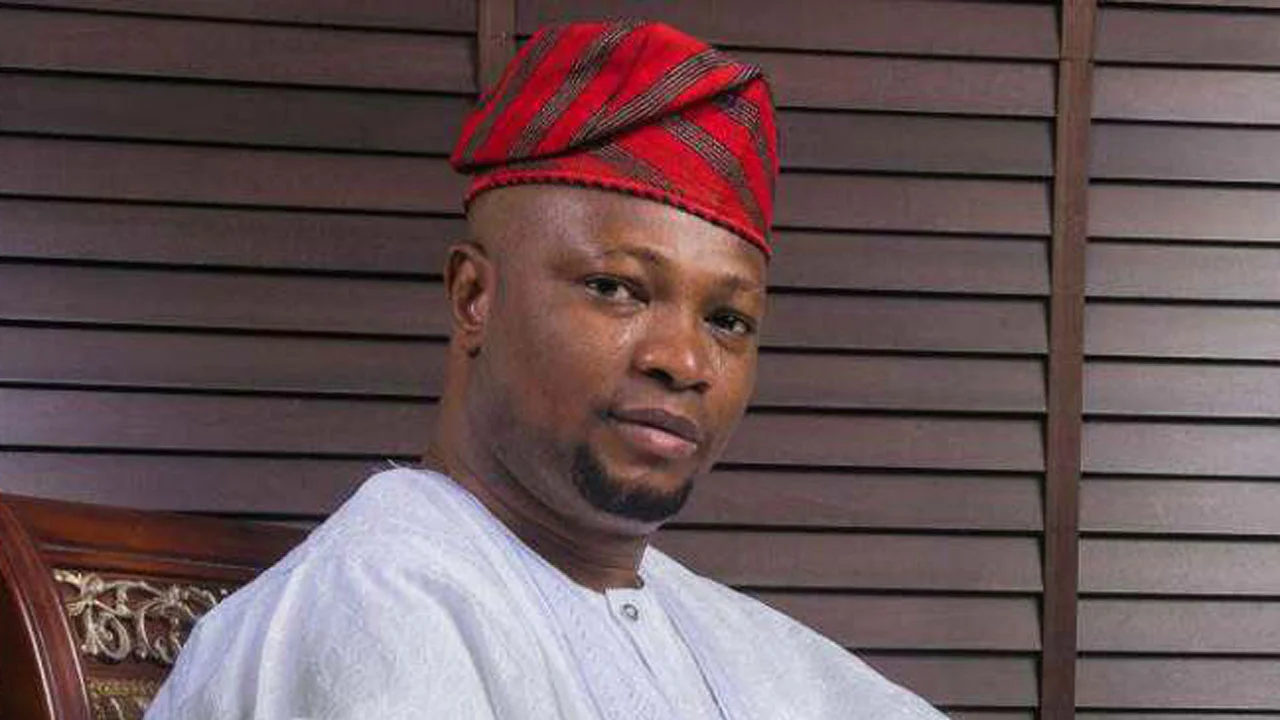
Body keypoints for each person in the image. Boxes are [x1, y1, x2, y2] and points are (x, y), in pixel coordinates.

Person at [146, 20, 946, 720]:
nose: (684, 361)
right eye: (615, 289)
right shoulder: (380, 599)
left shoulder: (736, 640)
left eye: (726, 321)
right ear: (474, 296)